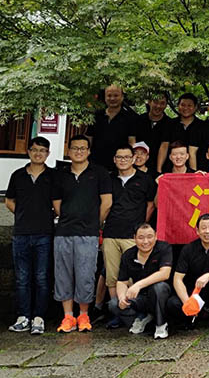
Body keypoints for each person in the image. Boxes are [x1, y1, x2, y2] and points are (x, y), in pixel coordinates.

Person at [53, 134, 113, 333]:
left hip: (88, 233)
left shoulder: (100, 173)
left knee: (85, 274)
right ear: (68, 151)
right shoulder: (61, 175)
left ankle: (84, 315)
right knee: (63, 274)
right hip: (64, 232)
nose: (78, 152)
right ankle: (68, 316)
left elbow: (107, 202)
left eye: (82, 148)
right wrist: (69, 217)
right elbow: (57, 204)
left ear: (88, 151)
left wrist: (95, 222)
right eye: (75, 148)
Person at [6, 136, 56, 335]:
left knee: (42, 277)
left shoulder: (53, 176)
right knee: (22, 278)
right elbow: (9, 201)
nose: (38, 154)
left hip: (44, 233)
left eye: (42, 150)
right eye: (34, 150)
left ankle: (39, 318)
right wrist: (23, 215)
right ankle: (23, 316)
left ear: (48, 154)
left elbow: (58, 203)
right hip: (21, 233)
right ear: (28, 151)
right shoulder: (18, 175)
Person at [103, 145, 156, 328]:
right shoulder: (109, 179)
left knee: (134, 275)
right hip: (111, 233)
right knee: (112, 276)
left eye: (127, 157)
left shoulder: (145, 180)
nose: (123, 160)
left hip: (133, 236)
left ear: (133, 159)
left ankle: (138, 311)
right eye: (119, 157)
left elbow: (151, 205)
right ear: (114, 159)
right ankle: (117, 312)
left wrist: (141, 229)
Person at [167, 213, 209, 333]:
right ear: (197, 231)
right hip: (194, 292)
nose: (207, 231)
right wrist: (187, 302)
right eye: (203, 228)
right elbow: (177, 278)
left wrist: (208, 276)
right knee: (172, 303)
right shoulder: (188, 249)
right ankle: (193, 316)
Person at [108, 222, 171, 339]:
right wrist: (122, 298)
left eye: (149, 237)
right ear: (134, 238)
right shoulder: (128, 255)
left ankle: (161, 325)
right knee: (113, 304)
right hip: (140, 298)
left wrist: (138, 285)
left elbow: (165, 273)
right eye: (141, 238)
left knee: (159, 287)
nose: (145, 241)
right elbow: (122, 281)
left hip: (160, 297)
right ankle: (143, 318)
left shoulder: (163, 248)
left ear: (156, 236)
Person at [87, 84, 137, 171]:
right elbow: (89, 139)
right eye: (109, 95)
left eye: (116, 95)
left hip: (120, 165)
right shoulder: (96, 115)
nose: (112, 98)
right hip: (96, 163)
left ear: (122, 97)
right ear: (105, 97)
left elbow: (132, 142)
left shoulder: (130, 117)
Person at [157, 93, 205, 172]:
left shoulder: (202, 126)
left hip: (198, 170)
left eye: (189, 105)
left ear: (195, 107)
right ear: (178, 106)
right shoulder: (170, 124)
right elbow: (164, 146)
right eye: (183, 105)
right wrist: (159, 170)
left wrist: (195, 174)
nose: (186, 108)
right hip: (172, 170)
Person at [134, 93, 169, 165]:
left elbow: (164, 146)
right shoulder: (138, 120)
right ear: (149, 102)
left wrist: (159, 169)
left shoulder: (170, 123)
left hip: (162, 166)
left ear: (166, 105)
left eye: (162, 103)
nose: (158, 106)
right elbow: (132, 142)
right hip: (138, 164)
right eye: (155, 102)